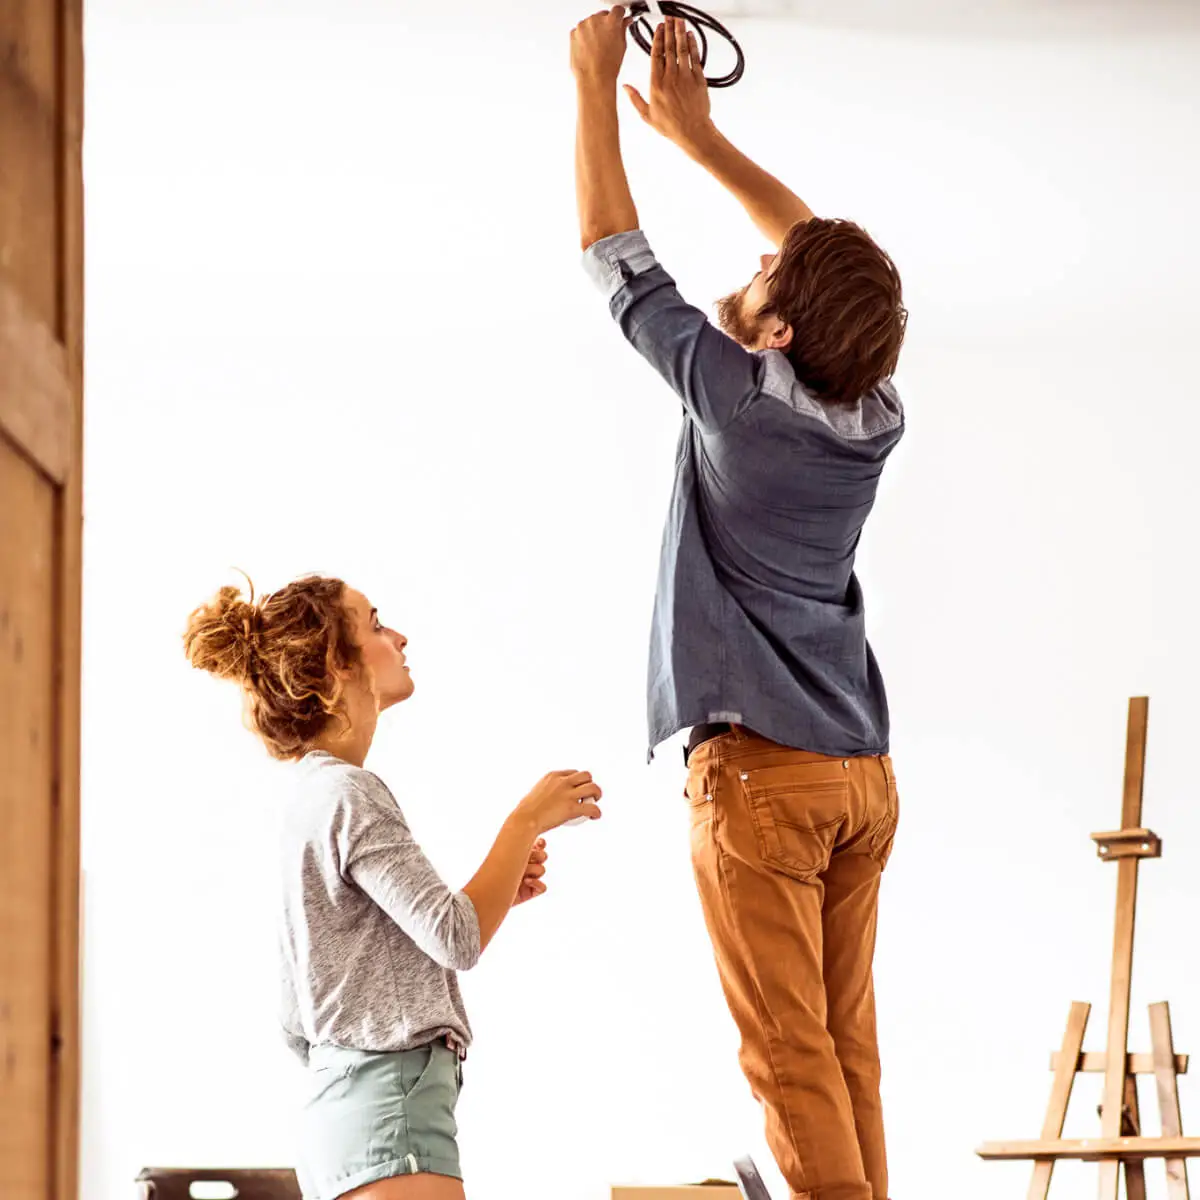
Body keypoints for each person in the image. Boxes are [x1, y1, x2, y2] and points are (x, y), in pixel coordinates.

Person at [570, 11, 906, 1200]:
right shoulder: (872, 412)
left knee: (787, 1056)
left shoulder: (737, 401)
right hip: (858, 778)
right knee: (841, 1049)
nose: (757, 260)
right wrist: (702, 141)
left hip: (764, 777)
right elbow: (814, 259)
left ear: (777, 330)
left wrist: (591, 84)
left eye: (766, 278)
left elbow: (614, 251)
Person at [183, 575, 603, 1200]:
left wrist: (498, 885)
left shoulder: (310, 796)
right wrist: (526, 822)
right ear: (331, 665)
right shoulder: (352, 794)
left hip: (343, 1117)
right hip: (392, 1112)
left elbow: (303, 1013)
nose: (399, 635)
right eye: (375, 623)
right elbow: (457, 937)